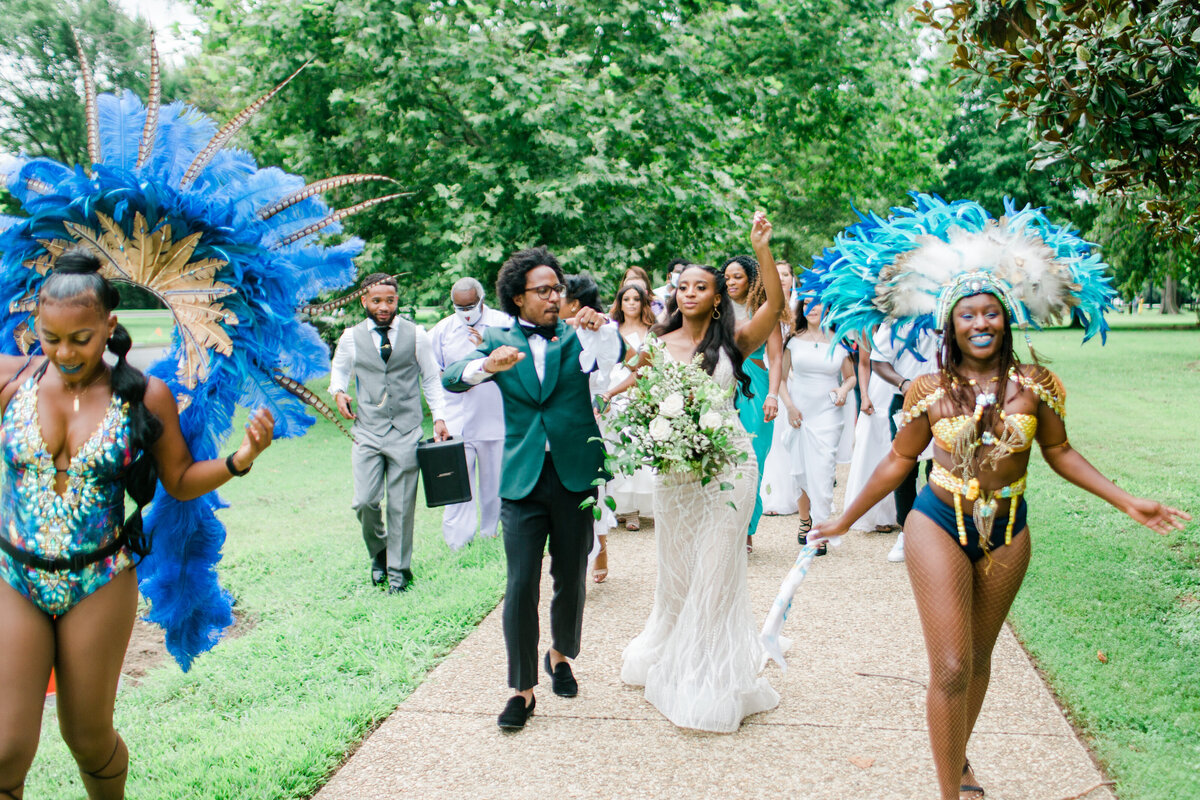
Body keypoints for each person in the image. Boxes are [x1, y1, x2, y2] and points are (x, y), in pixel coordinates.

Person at [807, 195, 1190, 800]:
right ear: (949, 325)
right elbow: (899, 460)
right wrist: (845, 518)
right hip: (937, 520)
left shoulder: (1037, 385)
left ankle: (957, 758)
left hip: (1010, 527)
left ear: (1007, 319)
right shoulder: (929, 389)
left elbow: (1060, 453)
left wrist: (1126, 501)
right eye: (968, 315)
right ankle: (950, 792)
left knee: (980, 663)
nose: (981, 323)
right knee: (952, 666)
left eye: (991, 313)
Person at [0, 252, 275, 800]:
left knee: (87, 736)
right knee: (4, 750)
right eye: (51, 338)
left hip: (99, 580)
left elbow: (177, 478)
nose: (65, 352)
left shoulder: (144, 395)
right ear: (36, 328)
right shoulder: (11, 380)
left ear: (110, 325)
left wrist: (240, 457)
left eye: (81, 337)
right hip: (14, 577)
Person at [610, 212, 785, 732]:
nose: (689, 293)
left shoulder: (736, 342)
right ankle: (672, 651)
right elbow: (628, 390)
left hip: (730, 468)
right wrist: (609, 405)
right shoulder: (656, 348)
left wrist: (762, 251)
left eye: (700, 287)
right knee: (678, 575)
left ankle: (705, 676)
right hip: (677, 475)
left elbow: (774, 305)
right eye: (682, 286)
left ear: (716, 298)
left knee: (714, 571)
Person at [443, 248, 622, 731]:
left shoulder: (580, 336)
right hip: (521, 479)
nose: (554, 297)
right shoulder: (498, 339)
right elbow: (451, 377)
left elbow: (615, 363)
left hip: (573, 475)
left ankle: (561, 656)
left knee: (571, 574)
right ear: (518, 298)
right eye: (543, 291)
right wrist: (488, 367)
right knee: (521, 583)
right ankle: (521, 690)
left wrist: (602, 330)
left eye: (557, 290)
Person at [330, 273, 449, 594]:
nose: (384, 307)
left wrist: (439, 416)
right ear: (364, 301)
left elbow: (430, 379)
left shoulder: (416, 335)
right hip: (367, 431)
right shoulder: (350, 338)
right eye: (377, 300)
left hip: (406, 432)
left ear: (397, 300)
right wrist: (339, 392)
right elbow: (339, 373)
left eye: (390, 300)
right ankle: (379, 553)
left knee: (401, 506)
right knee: (365, 502)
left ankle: (398, 573)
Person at [428, 277, 510, 550]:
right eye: (459, 307)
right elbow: (433, 374)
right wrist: (438, 415)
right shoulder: (442, 330)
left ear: (481, 301)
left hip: (494, 414)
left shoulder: (503, 323)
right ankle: (458, 541)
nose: (465, 312)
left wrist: (489, 345)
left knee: (493, 485)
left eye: (470, 306)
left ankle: (491, 534)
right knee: (456, 484)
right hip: (455, 417)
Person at [778, 298, 855, 552]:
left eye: (818, 303)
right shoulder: (792, 340)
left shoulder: (839, 340)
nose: (812, 308)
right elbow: (779, 378)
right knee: (800, 468)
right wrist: (788, 406)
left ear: (828, 307)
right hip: (799, 412)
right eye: (807, 303)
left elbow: (851, 376)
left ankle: (820, 529)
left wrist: (843, 389)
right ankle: (804, 520)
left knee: (823, 469)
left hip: (829, 414)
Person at [722, 254, 784, 552]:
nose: (731, 282)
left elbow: (775, 357)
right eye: (727, 277)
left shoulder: (765, 313)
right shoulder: (716, 311)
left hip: (756, 388)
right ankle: (724, 527)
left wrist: (772, 395)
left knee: (752, 459)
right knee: (723, 458)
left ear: (751, 280)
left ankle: (747, 527)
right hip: (721, 385)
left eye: (738, 276)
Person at [869, 320, 941, 562]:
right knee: (905, 468)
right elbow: (878, 360)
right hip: (907, 400)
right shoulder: (897, 318)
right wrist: (904, 383)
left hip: (947, 400)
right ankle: (907, 531)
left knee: (941, 467)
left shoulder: (951, 309)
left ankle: (937, 531)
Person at [605, 283, 658, 533]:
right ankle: (624, 508)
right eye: (627, 299)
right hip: (617, 388)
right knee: (619, 444)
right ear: (620, 303)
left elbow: (651, 363)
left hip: (643, 388)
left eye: (637, 299)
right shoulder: (611, 330)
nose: (632, 303)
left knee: (642, 446)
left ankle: (639, 507)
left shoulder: (653, 330)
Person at [842, 328, 900, 536]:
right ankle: (874, 514)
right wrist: (864, 396)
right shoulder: (870, 326)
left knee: (896, 450)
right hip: (877, 391)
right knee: (872, 449)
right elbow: (864, 364)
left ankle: (897, 511)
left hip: (899, 388)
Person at [760, 260, 800, 515]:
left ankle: (797, 493)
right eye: (776, 274)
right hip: (769, 374)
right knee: (773, 437)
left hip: (797, 378)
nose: (782, 278)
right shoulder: (764, 309)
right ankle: (772, 494)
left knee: (793, 438)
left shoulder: (801, 309)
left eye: (786, 274)